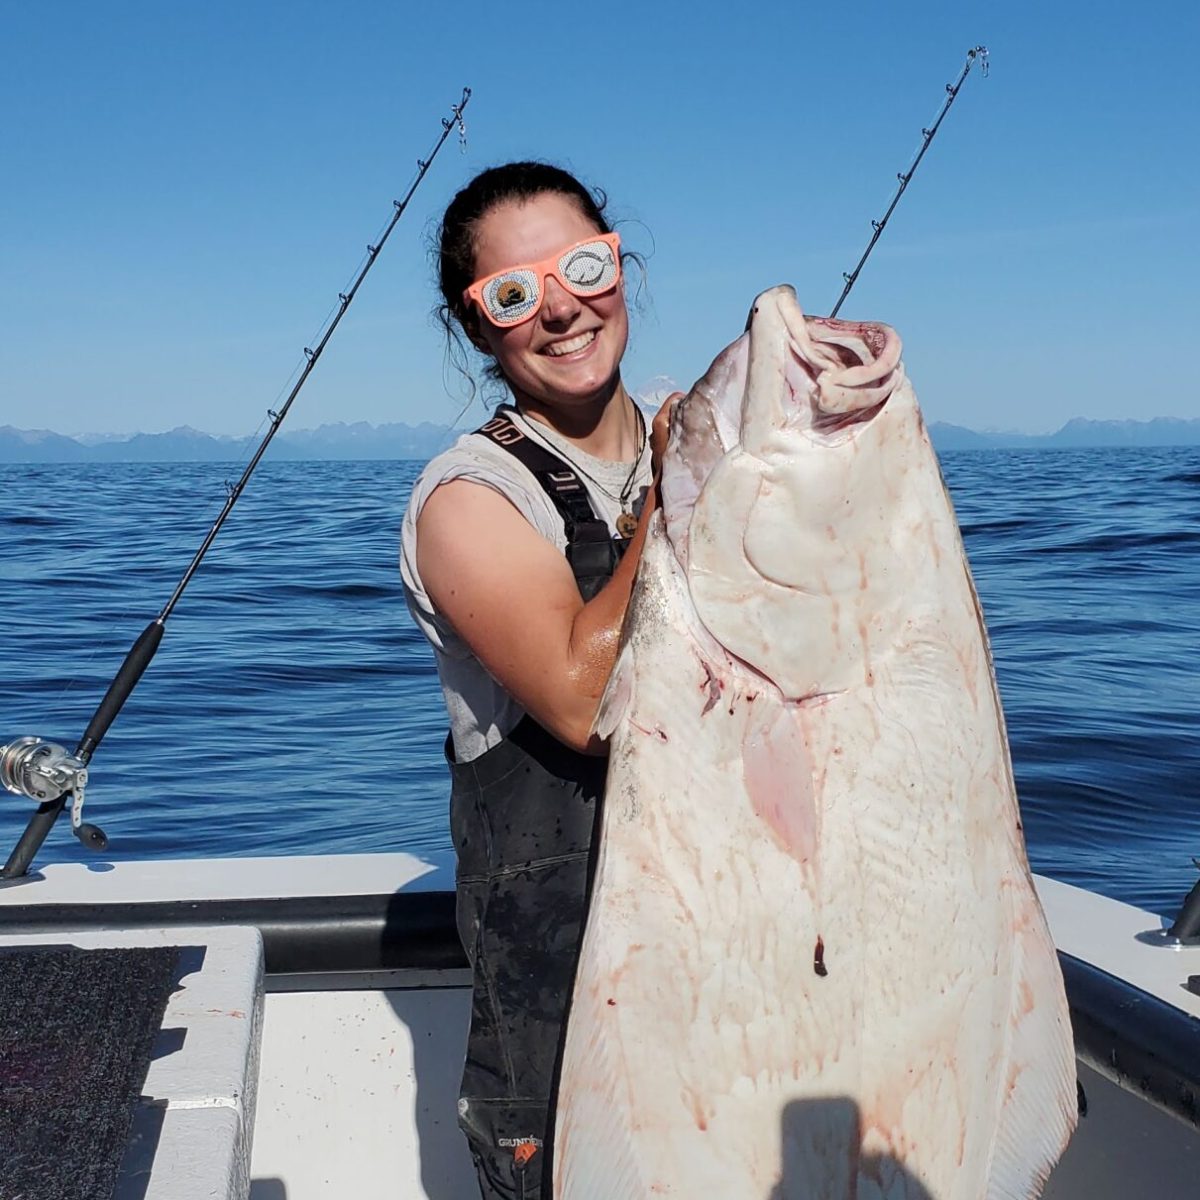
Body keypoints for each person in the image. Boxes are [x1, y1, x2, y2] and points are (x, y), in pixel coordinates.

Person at [399, 161, 673, 1200]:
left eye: (584, 266)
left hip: (729, 966)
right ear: (478, 329)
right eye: (513, 294)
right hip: (565, 1019)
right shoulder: (472, 498)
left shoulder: (701, 442)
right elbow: (581, 701)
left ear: (620, 268)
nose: (560, 306)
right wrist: (687, 497)